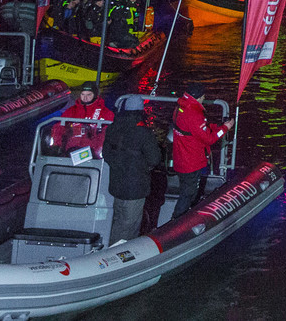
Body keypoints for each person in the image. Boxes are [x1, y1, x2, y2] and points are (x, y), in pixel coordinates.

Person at [103, 96, 163, 245]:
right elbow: (154, 158)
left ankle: (110, 246)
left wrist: (118, 164)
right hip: (136, 186)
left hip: (116, 183)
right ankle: (122, 253)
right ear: (141, 111)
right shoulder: (144, 133)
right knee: (130, 224)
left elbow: (106, 153)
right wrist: (143, 167)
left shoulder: (112, 128)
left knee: (118, 219)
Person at [171, 85, 221, 217]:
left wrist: (213, 126)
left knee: (186, 190)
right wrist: (225, 128)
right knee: (188, 194)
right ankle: (177, 222)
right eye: (203, 96)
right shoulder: (194, 113)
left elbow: (192, 130)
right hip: (191, 162)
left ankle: (182, 218)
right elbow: (209, 139)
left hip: (180, 158)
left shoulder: (180, 108)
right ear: (198, 97)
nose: (204, 98)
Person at [56, 82, 115, 155]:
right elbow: (59, 128)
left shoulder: (106, 113)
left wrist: (100, 150)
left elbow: (109, 134)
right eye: (83, 94)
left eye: (89, 94)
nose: (85, 97)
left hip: (94, 153)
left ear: (95, 95)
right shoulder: (71, 111)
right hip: (71, 150)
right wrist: (57, 145)